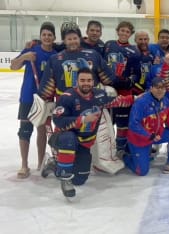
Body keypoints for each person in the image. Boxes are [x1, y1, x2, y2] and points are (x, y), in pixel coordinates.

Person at [42, 68, 135, 198]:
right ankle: (65, 179)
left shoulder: (99, 95)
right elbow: (58, 121)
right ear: (77, 81)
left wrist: (136, 98)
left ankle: (54, 165)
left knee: (80, 180)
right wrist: (83, 119)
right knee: (69, 139)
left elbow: (116, 101)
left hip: (84, 143)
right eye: (83, 80)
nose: (86, 83)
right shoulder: (67, 97)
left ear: (93, 82)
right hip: (63, 138)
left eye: (89, 80)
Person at [10, 22, 57, 179]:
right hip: (28, 97)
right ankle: (24, 165)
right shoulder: (31, 50)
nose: (47, 37)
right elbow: (13, 67)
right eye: (44, 34)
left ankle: (40, 162)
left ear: (54, 37)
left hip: (46, 99)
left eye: (50, 35)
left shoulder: (56, 54)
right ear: (40, 36)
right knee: (24, 131)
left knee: (42, 131)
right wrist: (24, 56)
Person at [125, 77, 169, 176]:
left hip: (156, 135)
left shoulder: (166, 102)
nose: (160, 90)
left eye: (162, 88)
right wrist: (149, 136)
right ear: (151, 88)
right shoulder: (141, 102)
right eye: (157, 87)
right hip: (140, 139)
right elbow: (133, 124)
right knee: (142, 171)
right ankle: (126, 157)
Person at [103, 21, 140, 155]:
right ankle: (107, 149)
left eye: (127, 31)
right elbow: (100, 65)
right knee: (107, 122)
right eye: (122, 30)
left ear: (131, 34)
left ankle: (120, 149)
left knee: (123, 122)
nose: (124, 33)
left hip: (124, 91)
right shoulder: (108, 45)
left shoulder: (134, 50)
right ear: (117, 31)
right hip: (107, 90)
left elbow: (137, 74)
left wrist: (127, 82)